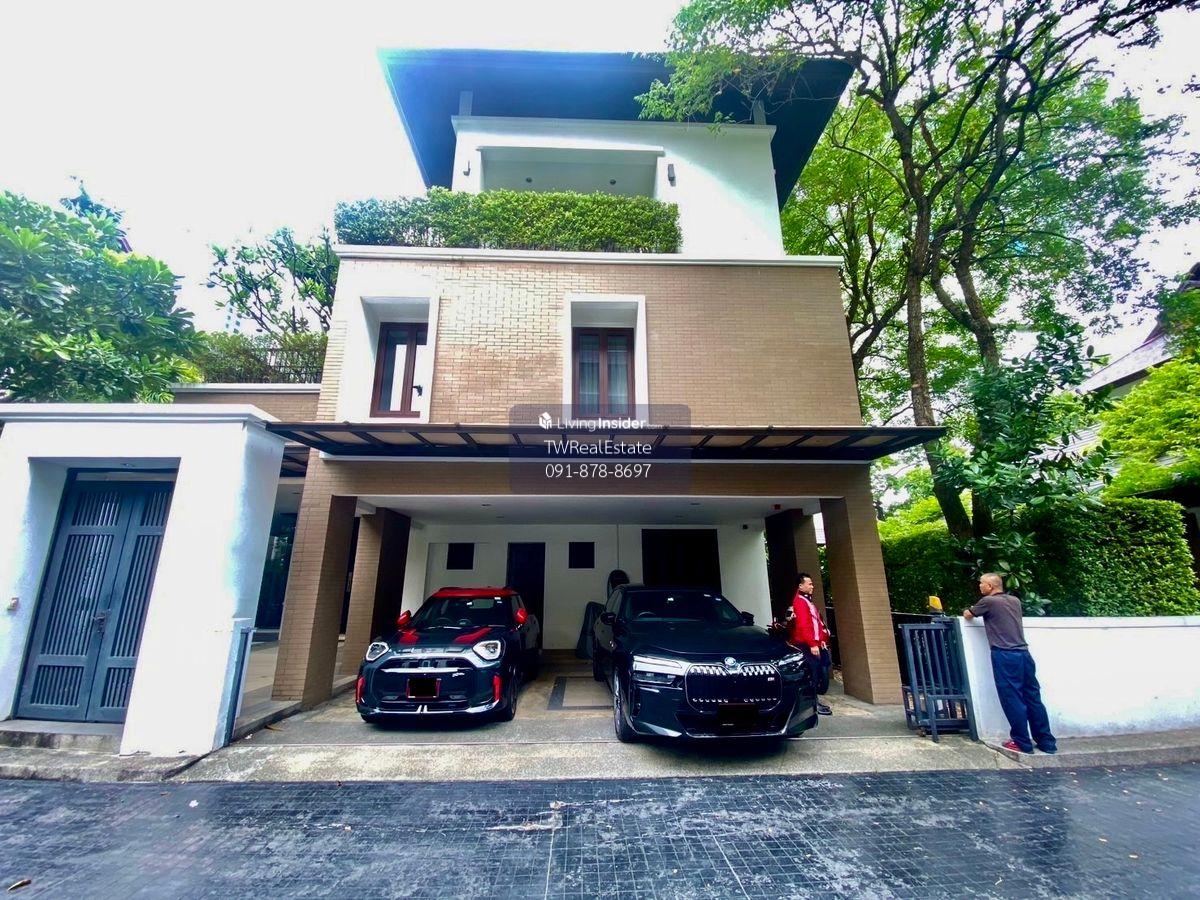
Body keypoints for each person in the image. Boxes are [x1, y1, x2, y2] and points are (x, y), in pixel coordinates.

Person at [963, 573, 1057, 754]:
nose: (979, 586)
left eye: (981, 583)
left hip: (1004, 654)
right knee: (1033, 697)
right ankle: (1047, 742)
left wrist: (969, 610)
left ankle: (1022, 742)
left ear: (990, 586)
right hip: (1024, 654)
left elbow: (968, 614)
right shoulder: (1015, 601)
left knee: (1012, 698)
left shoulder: (988, 602)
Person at [785, 572, 833, 716]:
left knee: (817, 671)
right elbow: (803, 625)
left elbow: (815, 623)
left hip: (814, 643)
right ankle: (812, 704)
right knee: (812, 673)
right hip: (806, 644)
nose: (812, 586)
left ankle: (814, 702)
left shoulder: (806, 600)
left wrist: (821, 640)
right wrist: (812, 644)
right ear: (801, 586)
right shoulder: (800, 602)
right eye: (809, 584)